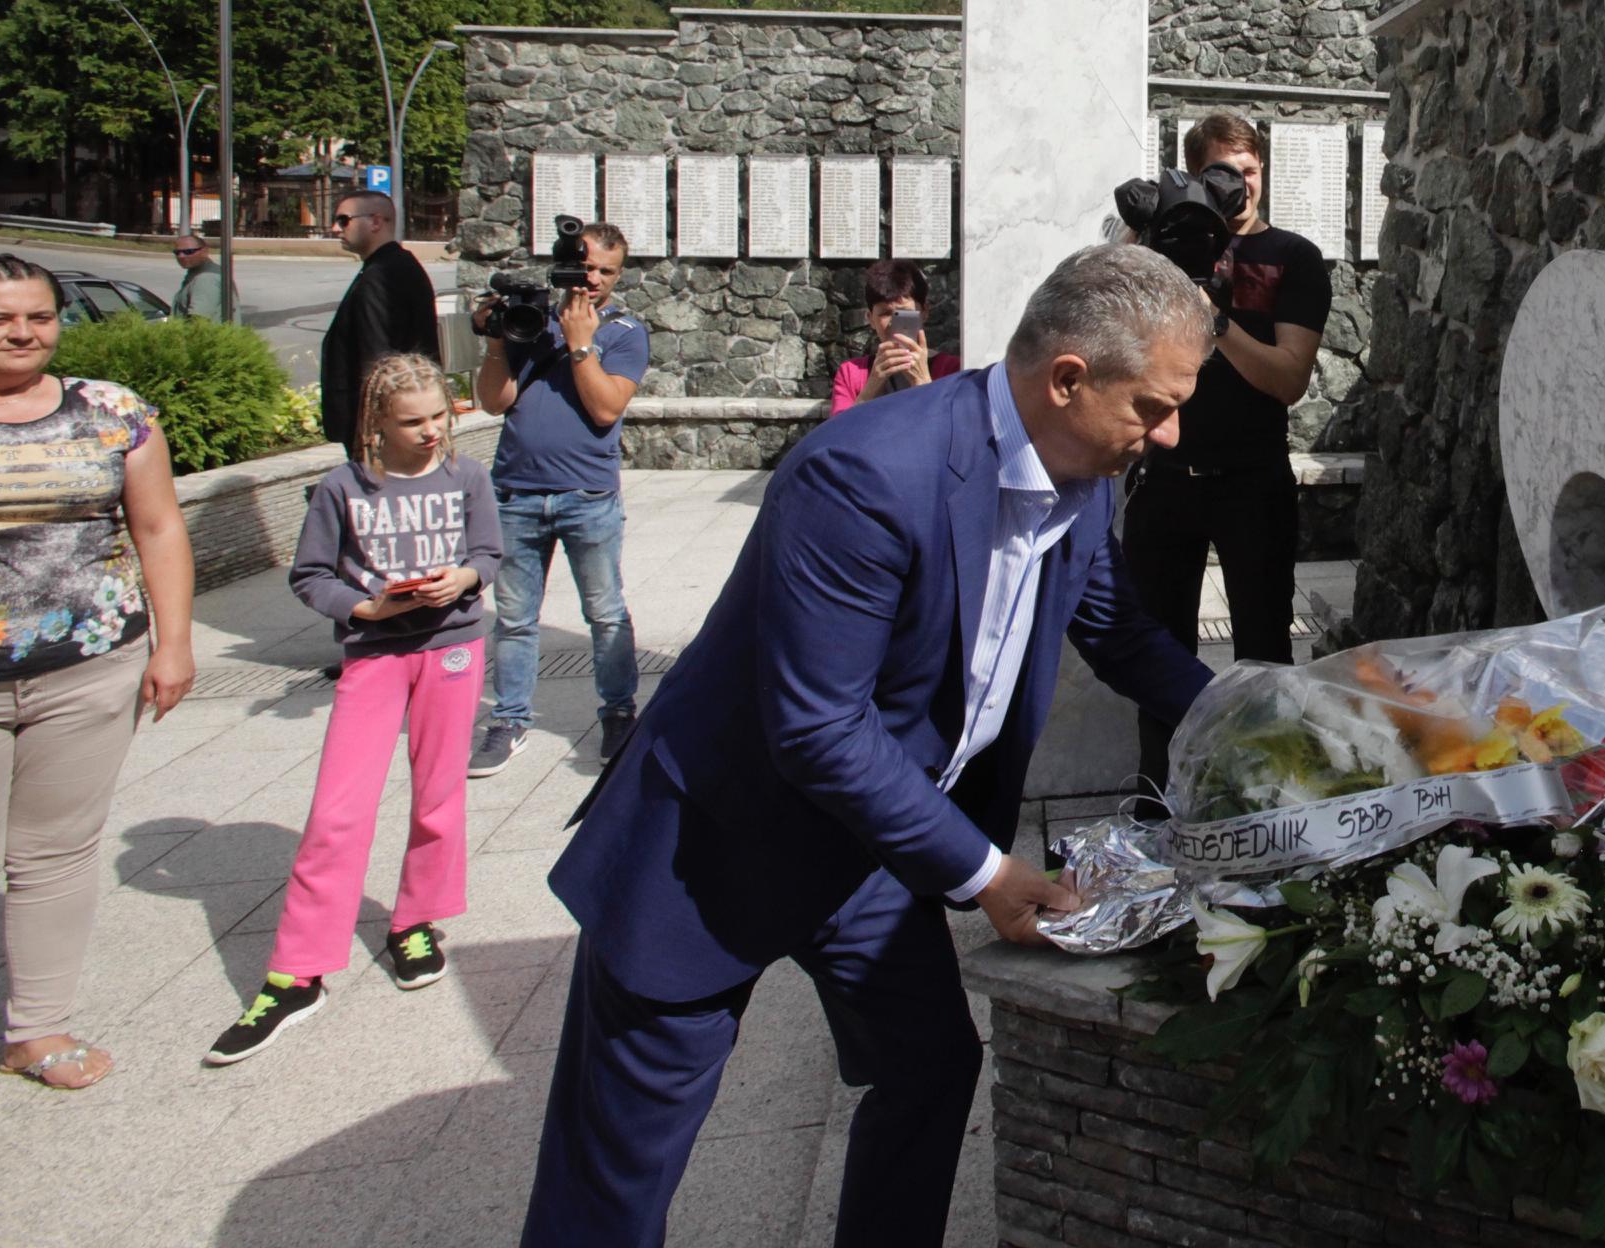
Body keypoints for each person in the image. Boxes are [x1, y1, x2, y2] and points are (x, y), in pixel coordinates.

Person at [521, 244, 1217, 1248]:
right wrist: (986, 874)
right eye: (1153, 406)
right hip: (715, 846)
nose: (1168, 433)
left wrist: (1259, 716)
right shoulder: (865, 473)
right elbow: (817, 726)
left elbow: (1120, 636)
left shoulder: (1086, 474)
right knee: (616, 1174)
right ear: (1069, 380)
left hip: (876, 845)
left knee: (930, 1069)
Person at [204, 353, 504, 1064]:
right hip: (374, 652)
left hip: (453, 648)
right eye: (413, 421)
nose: (431, 431)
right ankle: (297, 971)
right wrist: (363, 606)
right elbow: (309, 575)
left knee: (438, 799)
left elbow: (488, 552)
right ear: (377, 422)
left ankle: (416, 922)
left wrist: (460, 578)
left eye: (439, 415)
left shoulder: (468, 477)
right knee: (338, 813)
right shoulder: (342, 488)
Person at [0, 252, 196, 1090]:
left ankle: (36, 1027)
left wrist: (173, 644)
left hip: (88, 666)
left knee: (56, 852)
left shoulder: (111, 412)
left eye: (39, 316)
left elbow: (160, 527)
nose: (23, 332)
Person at [1123, 112, 1328, 800]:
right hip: (1165, 480)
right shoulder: (1162, 251)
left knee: (1264, 648)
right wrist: (1139, 235)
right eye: (1223, 174)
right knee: (1158, 649)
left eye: (1250, 171)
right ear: (1196, 177)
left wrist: (1218, 317)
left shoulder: (1292, 258)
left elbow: (1288, 378)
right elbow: (1112, 329)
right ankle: (1162, 796)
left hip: (1252, 480)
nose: (1241, 186)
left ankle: (1270, 795)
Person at [470, 220, 649, 774]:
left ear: (618, 276)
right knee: (516, 618)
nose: (592, 279)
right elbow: (494, 402)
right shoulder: (530, 320)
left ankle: (618, 714)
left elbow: (604, 408)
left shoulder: (623, 331)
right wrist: (500, 338)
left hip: (587, 495)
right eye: (586, 266)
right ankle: (509, 720)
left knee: (605, 613)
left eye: (605, 271)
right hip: (517, 492)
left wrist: (578, 345)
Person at [318, 190, 440, 460]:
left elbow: (376, 357)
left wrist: (374, 429)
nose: (335, 228)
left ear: (375, 222)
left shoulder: (382, 276)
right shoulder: (397, 266)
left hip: (381, 431)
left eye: (344, 220)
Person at [827, 258, 962, 415]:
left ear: (924, 312)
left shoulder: (951, 369)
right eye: (885, 314)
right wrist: (871, 387)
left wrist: (923, 381)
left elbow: (955, 432)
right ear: (870, 319)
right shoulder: (851, 373)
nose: (893, 323)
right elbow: (839, 435)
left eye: (904, 312)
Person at [167, 235, 237, 323]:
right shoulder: (199, 273)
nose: (181, 256)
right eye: (177, 252)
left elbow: (198, 321)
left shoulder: (206, 278)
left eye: (189, 251)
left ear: (205, 251)